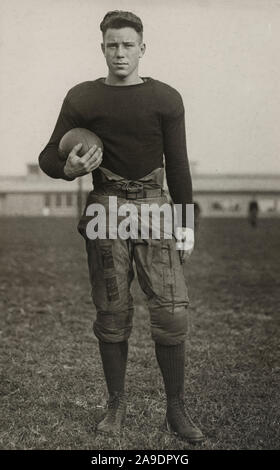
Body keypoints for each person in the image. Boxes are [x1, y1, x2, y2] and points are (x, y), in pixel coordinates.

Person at [38, 10, 204, 444]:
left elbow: (180, 164)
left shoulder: (166, 98)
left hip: (154, 205)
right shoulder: (83, 97)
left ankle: (176, 408)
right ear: (102, 48)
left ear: (142, 48)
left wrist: (186, 222)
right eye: (113, 45)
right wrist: (69, 167)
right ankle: (115, 405)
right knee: (112, 313)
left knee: (171, 311)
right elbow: (48, 157)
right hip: (105, 207)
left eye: (128, 44)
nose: (120, 52)